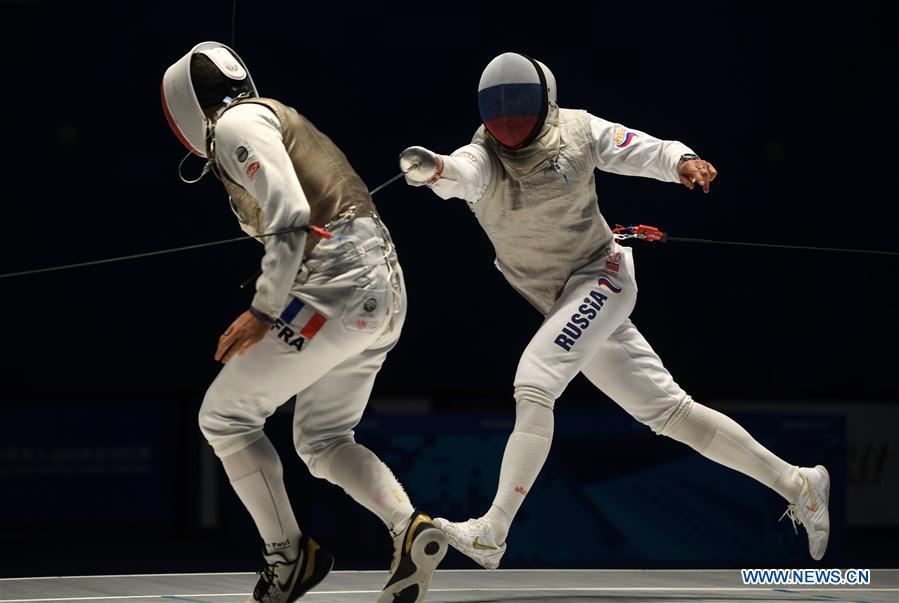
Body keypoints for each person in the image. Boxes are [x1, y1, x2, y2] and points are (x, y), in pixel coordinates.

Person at [399, 52, 830, 569]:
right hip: (563, 303)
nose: (508, 118)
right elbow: (459, 174)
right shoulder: (482, 157)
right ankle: (799, 483)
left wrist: (681, 160)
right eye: (499, 108)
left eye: (520, 105)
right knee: (671, 413)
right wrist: (435, 168)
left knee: (535, 381)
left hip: (600, 277)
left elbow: (638, 147)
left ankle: (493, 531)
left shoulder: (578, 131)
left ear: (546, 103)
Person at [161, 41, 446, 603]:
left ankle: (289, 557)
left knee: (224, 419)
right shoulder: (269, 117)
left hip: (340, 286)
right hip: (381, 288)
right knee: (322, 439)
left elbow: (291, 213)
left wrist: (263, 309)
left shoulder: (236, 123)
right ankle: (409, 526)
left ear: (186, 107)